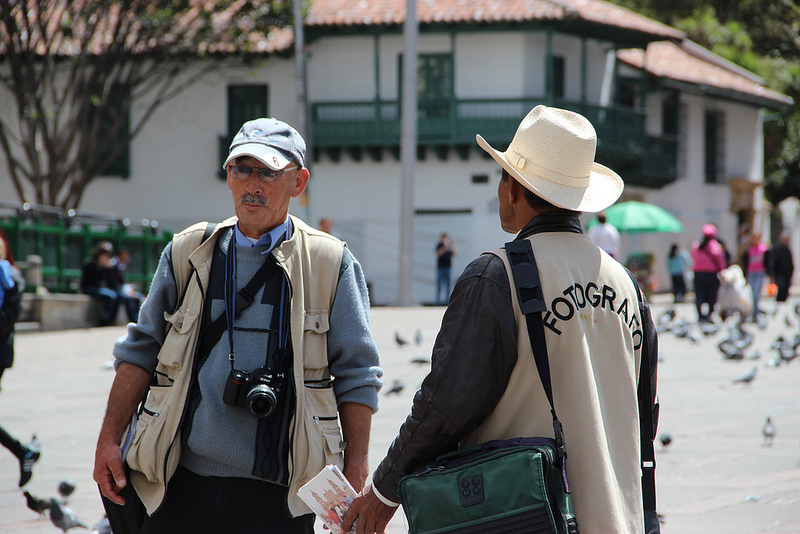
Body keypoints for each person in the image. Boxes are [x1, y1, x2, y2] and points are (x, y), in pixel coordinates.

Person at [343, 105, 659, 534]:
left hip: (531, 516)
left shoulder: (499, 275)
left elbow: (447, 403)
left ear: (512, 188)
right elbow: (644, 416)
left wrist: (383, 492)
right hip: (620, 519)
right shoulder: (627, 285)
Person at [93, 117, 383, 533]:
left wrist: (356, 467)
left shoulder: (330, 264)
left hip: (280, 495)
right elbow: (140, 349)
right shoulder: (189, 252)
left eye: (268, 171)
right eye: (241, 169)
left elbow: (357, 374)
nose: (253, 183)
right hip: (180, 482)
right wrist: (109, 438)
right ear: (228, 177)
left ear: (298, 183)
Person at [0, 237, 41, 487]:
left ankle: (23, 451)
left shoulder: (7, 277)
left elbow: (8, 319)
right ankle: (23, 451)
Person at [690, 224, 727, 323]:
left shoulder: (695, 246)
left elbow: (693, 258)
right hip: (711, 274)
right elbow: (721, 262)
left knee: (699, 295)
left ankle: (700, 315)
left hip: (698, 274)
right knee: (712, 295)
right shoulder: (716, 247)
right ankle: (709, 314)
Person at [80, 241, 121, 326]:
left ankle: (111, 319)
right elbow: (94, 281)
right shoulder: (90, 263)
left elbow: (110, 282)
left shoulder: (102, 265)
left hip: (98, 288)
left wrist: (107, 269)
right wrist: (102, 268)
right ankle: (105, 319)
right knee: (111, 296)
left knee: (118, 296)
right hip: (89, 288)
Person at [109, 248, 143, 323]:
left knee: (137, 298)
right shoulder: (113, 265)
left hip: (120, 289)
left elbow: (122, 283)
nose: (126, 259)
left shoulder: (121, 266)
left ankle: (138, 319)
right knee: (127, 298)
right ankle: (133, 320)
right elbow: (114, 284)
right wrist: (126, 291)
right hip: (114, 289)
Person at [744, 231, 768, 320]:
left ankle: (756, 311)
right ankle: (753, 310)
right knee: (751, 292)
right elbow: (745, 261)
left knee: (756, 292)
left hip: (759, 272)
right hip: (750, 272)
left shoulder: (763, 248)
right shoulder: (749, 249)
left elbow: (767, 261)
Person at [767, 232, 794, 303]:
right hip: (779, 273)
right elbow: (773, 262)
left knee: (785, 288)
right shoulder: (777, 249)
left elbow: (790, 262)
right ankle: (779, 301)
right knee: (781, 287)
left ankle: (783, 301)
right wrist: (772, 274)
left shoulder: (787, 250)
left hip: (787, 274)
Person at [434, 233, 456, 305]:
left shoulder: (449, 246)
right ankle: (438, 303)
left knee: (449, 286)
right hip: (441, 268)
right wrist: (444, 247)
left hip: (448, 268)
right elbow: (438, 254)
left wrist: (451, 246)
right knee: (439, 286)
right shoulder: (439, 245)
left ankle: (448, 302)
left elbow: (454, 253)